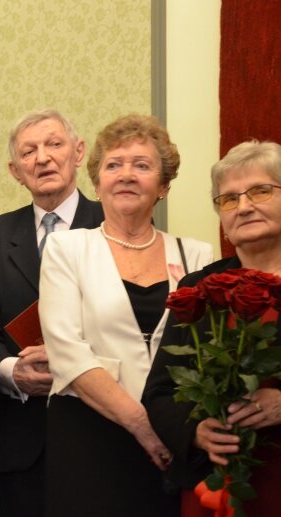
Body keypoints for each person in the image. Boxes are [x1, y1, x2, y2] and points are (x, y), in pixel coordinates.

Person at [38, 114, 213, 516]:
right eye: (113, 165)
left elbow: (201, 355)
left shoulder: (196, 256)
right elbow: (68, 353)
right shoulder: (66, 249)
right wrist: (144, 425)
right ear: (97, 184)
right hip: (89, 435)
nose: (126, 175)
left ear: (164, 185)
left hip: (174, 440)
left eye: (142, 165)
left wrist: (171, 429)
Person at [0, 109, 104, 516]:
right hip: (22, 443)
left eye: (54, 144)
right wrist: (12, 371)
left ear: (78, 152)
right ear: (15, 170)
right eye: (29, 152)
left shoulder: (111, 224)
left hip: (102, 433)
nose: (42, 158)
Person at [143, 140, 281, 516]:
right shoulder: (199, 287)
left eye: (260, 191)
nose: (245, 206)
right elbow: (158, 393)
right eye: (229, 199)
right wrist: (195, 432)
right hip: (213, 487)